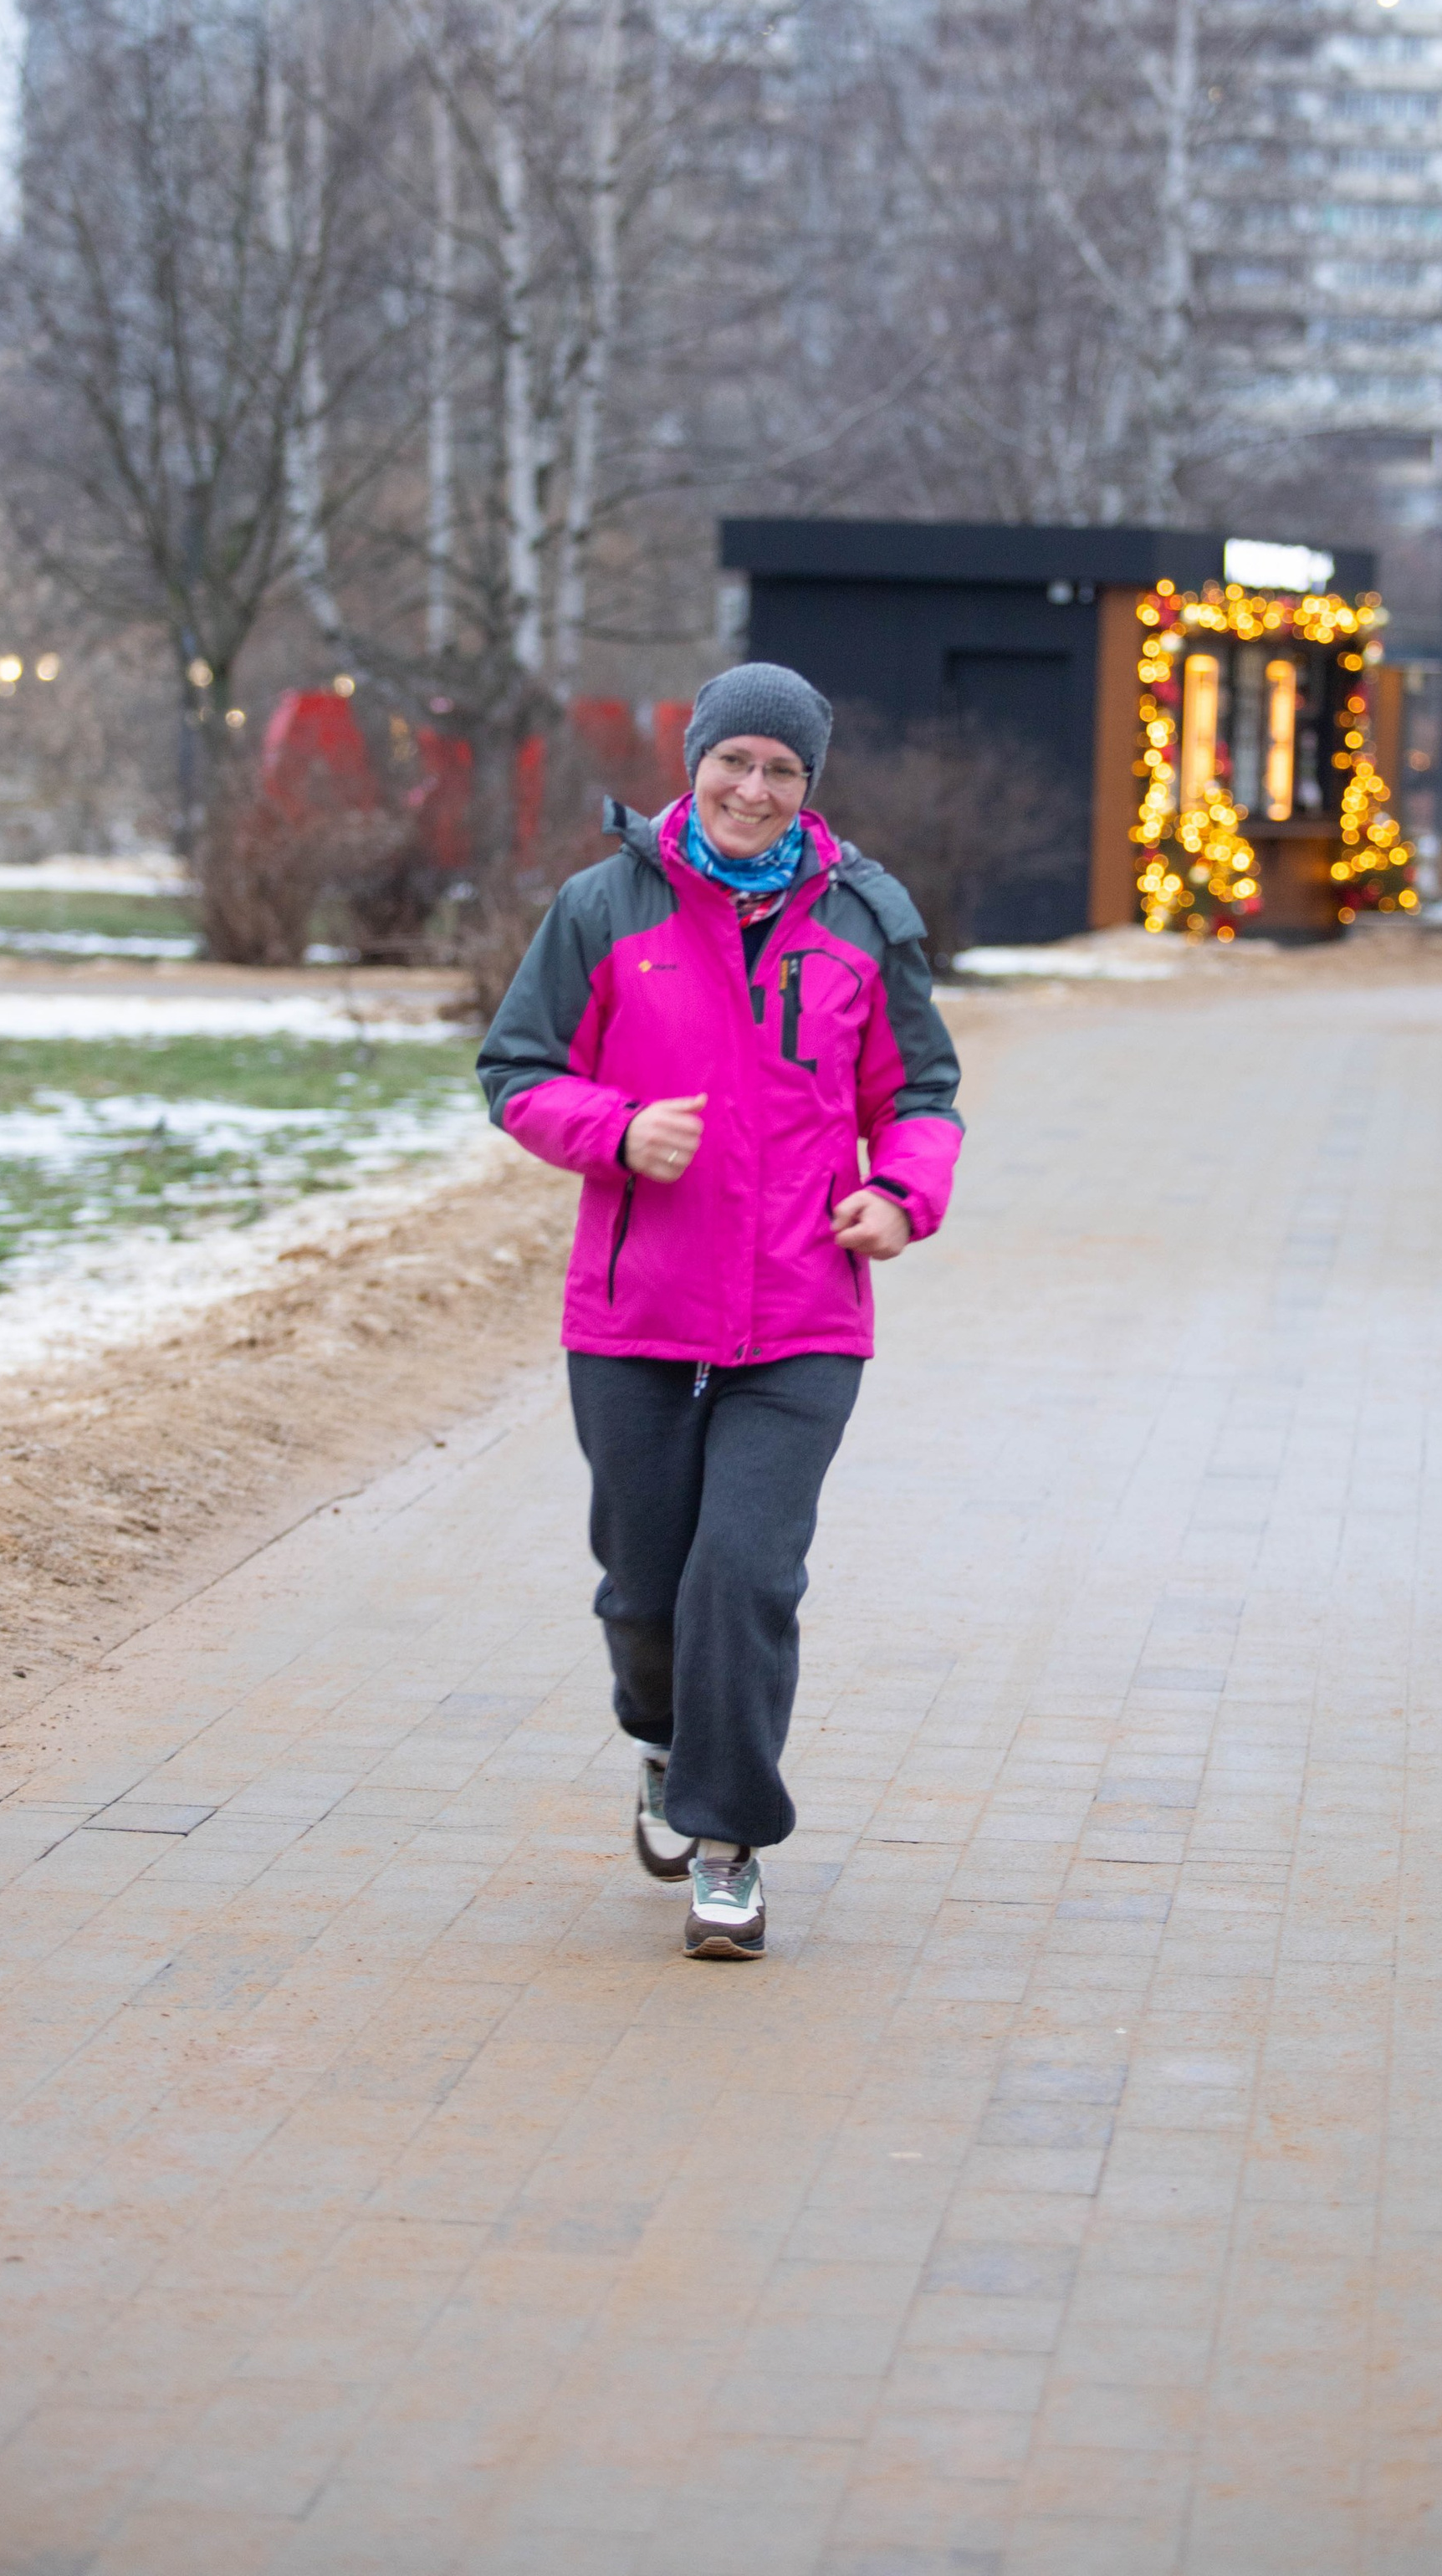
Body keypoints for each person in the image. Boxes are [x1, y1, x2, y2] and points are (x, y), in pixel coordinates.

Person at [477, 663, 964, 1958]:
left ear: (812, 787)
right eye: (735, 761)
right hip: (636, 1314)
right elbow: (516, 1072)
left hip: (803, 1315)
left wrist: (904, 1197)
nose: (755, 790)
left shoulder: (864, 917)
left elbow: (920, 1094)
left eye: (784, 772)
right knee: (646, 1591)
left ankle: (730, 1846)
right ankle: (660, 1742)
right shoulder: (604, 905)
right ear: (694, 761)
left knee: (742, 1578)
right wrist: (619, 1130)